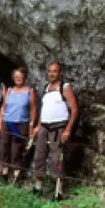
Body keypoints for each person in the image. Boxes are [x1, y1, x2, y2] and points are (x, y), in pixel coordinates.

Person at [31, 61, 78, 197]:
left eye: (55, 71)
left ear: (60, 73)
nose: (51, 74)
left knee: (57, 159)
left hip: (58, 128)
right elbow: (44, 108)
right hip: (44, 127)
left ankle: (59, 191)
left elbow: (74, 110)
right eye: (50, 71)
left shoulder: (65, 87)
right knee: (39, 156)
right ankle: (38, 186)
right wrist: (38, 126)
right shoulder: (46, 87)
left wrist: (67, 130)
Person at [0, 67, 37, 182]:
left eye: (20, 76)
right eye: (16, 77)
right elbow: (3, 107)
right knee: (4, 146)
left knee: (17, 149)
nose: (18, 78)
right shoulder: (9, 90)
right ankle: (4, 172)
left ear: (24, 77)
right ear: (13, 78)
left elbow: (34, 109)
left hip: (21, 124)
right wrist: (0, 123)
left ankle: (16, 175)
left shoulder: (30, 91)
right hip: (7, 122)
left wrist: (31, 125)